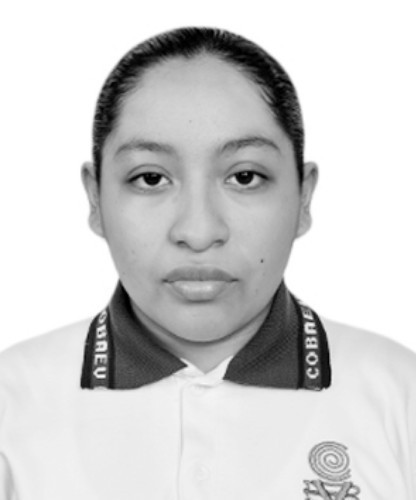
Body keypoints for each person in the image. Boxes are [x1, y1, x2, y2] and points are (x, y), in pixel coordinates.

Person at [0, 26, 415, 500]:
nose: (198, 232)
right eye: (151, 178)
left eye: (245, 176)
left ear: (303, 197)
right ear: (95, 198)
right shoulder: (11, 405)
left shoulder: (401, 398)